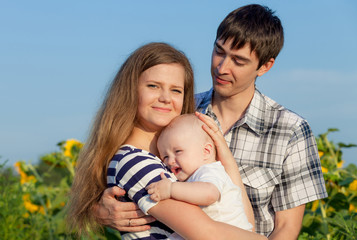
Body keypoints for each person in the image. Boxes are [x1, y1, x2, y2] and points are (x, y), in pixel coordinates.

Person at [93, 4, 328, 239]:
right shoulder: (177, 111)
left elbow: (286, 229)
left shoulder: (290, 130)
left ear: (265, 66)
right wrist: (99, 212)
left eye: (238, 60)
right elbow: (127, 171)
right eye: (219, 51)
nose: (222, 67)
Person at [67, 42, 266, 239]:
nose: (165, 98)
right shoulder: (137, 163)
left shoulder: (168, 160)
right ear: (130, 90)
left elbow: (243, 222)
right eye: (153, 86)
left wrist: (224, 153)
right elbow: (208, 233)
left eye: (176, 90)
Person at [146, 114, 254, 240]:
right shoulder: (193, 176)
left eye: (178, 151)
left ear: (206, 151)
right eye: (165, 157)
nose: (170, 161)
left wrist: (171, 189)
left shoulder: (210, 171)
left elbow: (209, 194)